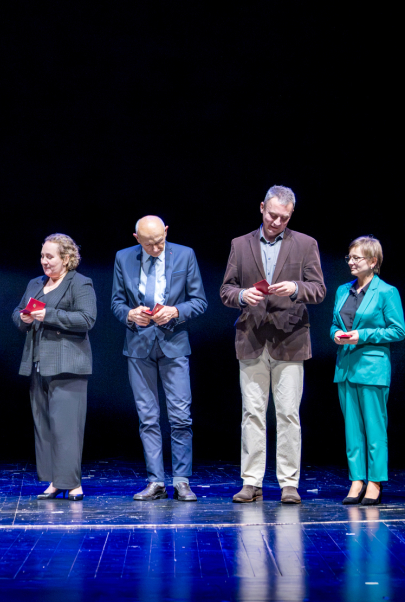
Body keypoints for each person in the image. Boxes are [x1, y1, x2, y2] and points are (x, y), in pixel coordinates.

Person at [220, 185, 326, 504]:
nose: (277, 222)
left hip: (290, 339)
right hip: (251, 337)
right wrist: (242, 295)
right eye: (272, 215)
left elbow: (318, 290)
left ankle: (288, 482)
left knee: (288, 414)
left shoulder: (305, 244)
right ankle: (251, 481)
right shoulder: (240, 245)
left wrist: (294, 288)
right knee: (252, 413)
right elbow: (226, 289)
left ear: (291, 215)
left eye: (284, 218)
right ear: (262, 207)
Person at [110, 216, 207, 501]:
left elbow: (199, 301)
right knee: (148, 417)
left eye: (160, 241)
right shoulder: (123, 258)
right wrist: (129, 314)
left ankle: (181, 480)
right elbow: (116, 302)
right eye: (149, 243)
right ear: (136, 238)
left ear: (166, 231)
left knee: (180, 416)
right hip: (138, 345)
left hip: (173, 344)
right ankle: (155, 481)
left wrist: (175, 311)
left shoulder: (185, 255)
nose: (156, 248)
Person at [13, 233, 96, 500]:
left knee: (66, 426)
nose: (44, 262)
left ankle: (73, 483)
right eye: (42, 256)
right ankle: (55, 481)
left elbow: (86, 319)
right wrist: (25, 317)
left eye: (50, 257)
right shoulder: (35, 283)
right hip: (38, 362)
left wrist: (48, 314)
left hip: (67, 364)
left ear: (67, 258)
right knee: (45, 426)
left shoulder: (80, 283)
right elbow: (17, 314)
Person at [331, 236, 404, 506]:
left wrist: (362, 334)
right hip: (346, 368)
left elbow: (398, 330)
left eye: (357, 258)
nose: (351, 262)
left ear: (373, 262)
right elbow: (333, 324)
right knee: (352, 429)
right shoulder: (342, 291)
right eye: (349, 257)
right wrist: (337, 333)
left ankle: (375, 482)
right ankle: (356, 480)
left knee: (374, 428)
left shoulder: (386, 292)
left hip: (373, 368)